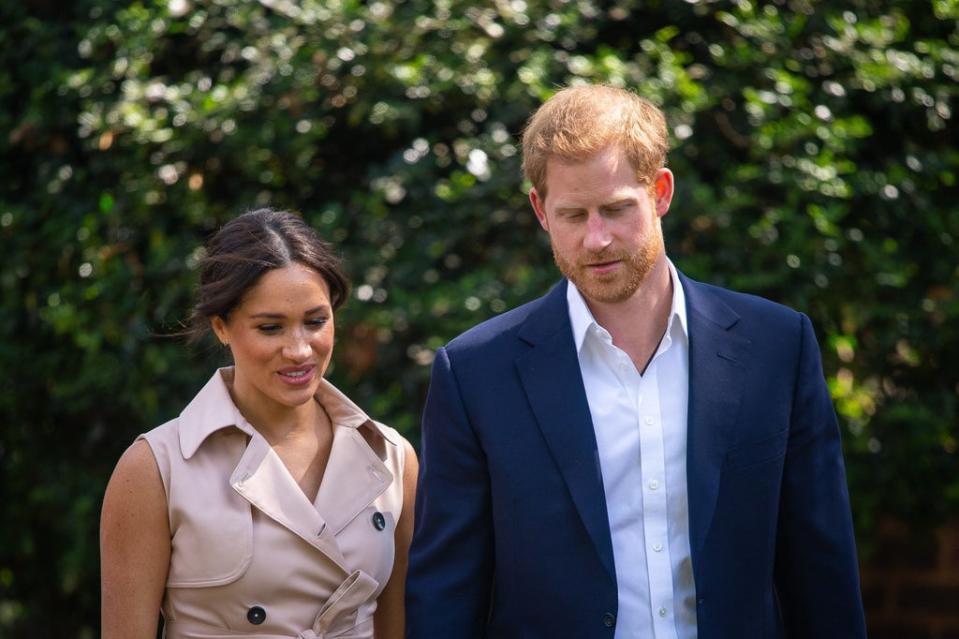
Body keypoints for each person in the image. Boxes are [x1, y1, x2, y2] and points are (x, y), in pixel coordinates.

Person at [405, 85, 866, 638]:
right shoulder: (475, 373)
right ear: (539, 210)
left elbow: (821, 567)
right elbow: (447, 595)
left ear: (661, 191)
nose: (596, 239)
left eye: (617, 208)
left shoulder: (776, 346)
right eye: (572, 215)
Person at [101, 209, 417, 639]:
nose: (299, 350)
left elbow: (395, 624)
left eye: (316, 321)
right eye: (270, 327)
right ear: (221, 327)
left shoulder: (391, 457)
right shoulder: (156, 467)